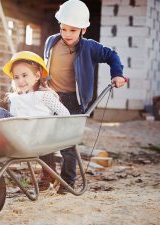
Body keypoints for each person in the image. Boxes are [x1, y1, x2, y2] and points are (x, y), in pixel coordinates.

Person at [39, 0, 127, 194]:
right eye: (64, 29)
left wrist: (117, 74)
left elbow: (112, 56)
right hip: (50, 97)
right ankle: (48, 175)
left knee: (67, 145)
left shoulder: (89, 47)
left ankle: (67, 183)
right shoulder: (51, 42)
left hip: (73, 101)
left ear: (83, 30)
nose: (67, 34)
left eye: (73, 30)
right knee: (43, 139)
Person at [0, 51, 70, 121]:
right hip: (18, 131)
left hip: (39, 131)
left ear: (37, 76)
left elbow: (65, 114)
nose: (20, 81)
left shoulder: (45, 96)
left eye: (24, 75)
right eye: (16, 77)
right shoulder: (15, 98)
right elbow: (13, 121)